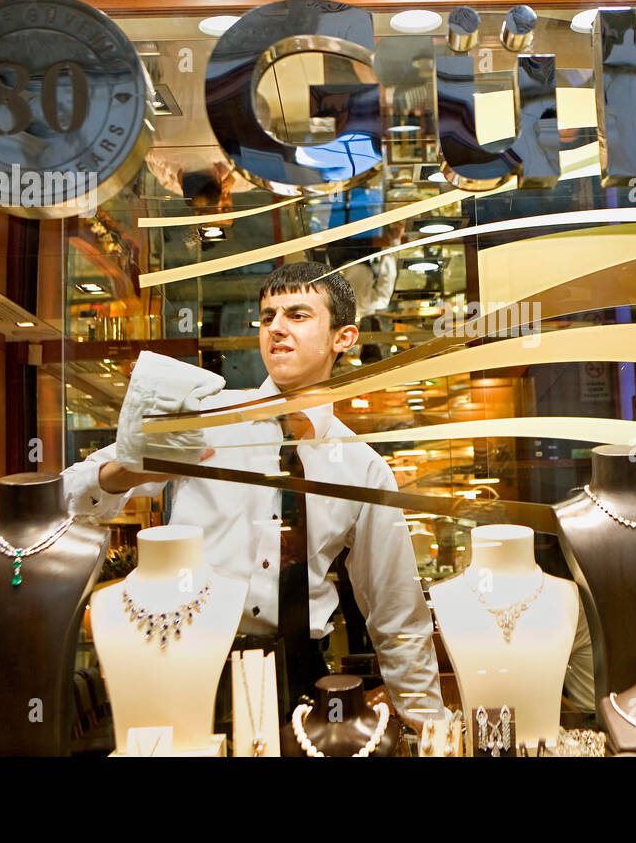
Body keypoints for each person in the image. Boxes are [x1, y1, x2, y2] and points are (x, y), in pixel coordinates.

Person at [62, 261, 446, 726]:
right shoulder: (204, 418)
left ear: (343, 338)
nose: (277, 329)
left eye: (298, 315)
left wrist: (429, 728)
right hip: (181, 659)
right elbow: (65, 501)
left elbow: (397, 612)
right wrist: (122, 472)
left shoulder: (362, 468)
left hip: (300, 684)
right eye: (268, 317)